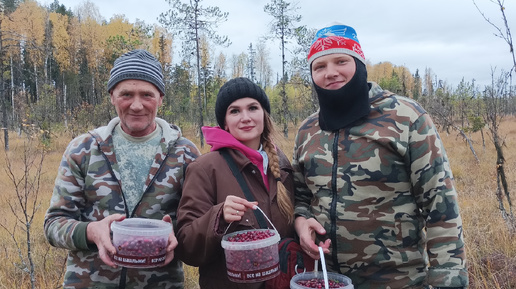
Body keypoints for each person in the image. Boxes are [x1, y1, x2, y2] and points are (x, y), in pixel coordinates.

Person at [292, 23, 469, 289]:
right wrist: (301, 219)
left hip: (398, 280)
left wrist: (448, 280)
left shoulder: (406, 117)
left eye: (341, 61)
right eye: (319, 66)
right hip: (326, 279)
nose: (331, 73)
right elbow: (302, 195)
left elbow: (439, 203)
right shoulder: (308, 129)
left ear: (359, 63)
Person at [44, 49, 200, 289]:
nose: (136, 105)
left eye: (146, 95)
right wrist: (91, 232)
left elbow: (197, 224)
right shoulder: (83, 149)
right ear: (112, 96)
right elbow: (54, 223)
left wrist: (174, 233)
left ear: (160, 98)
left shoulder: (185, 153)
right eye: (126, 94)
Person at [176, 77, 295, 289]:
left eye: (252, 108)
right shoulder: (205, 169)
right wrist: (218, 217)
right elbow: (187, 247)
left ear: (264, 115)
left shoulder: (282, 163)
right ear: (225, 123)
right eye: (235, 111)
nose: (246, 117)